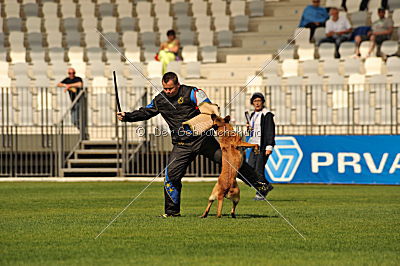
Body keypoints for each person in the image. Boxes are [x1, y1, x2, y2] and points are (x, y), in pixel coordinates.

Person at [117, 72, 273, 217]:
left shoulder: (192, 92)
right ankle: (172, 212)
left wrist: (212, 113)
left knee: (230, 162)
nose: (168, 91)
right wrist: (127, 116)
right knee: (171, 176)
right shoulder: (160, 99)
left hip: (203, 139)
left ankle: (261, 184)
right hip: (181, 144)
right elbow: (146, 112)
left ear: (177, 85)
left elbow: (207, 105)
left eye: (170, 88)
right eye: (165, 89)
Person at [247, 93, 275, 201]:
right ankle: (266, 186)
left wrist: (269, 146)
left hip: (262, 146)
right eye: (255, 101)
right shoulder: (253, 115)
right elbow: (253, 132)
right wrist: (249, 128)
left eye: (259, 100)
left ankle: (261, 192)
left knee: (258, 170)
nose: (257, 103)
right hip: (254, 146)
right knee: (249, 169)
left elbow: (270, 131)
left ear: (262, 102)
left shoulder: (266, 114)